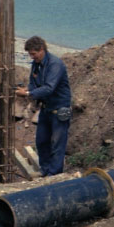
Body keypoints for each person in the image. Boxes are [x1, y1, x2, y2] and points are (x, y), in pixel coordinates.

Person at [16, 36, 72, 176]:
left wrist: (28, 93)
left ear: (42, 50)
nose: (32, 57)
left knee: (57, 143)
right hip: (46, 108)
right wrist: (29, 90)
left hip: (59, 108)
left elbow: (49, 88)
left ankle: (54, 174)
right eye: (30, 54)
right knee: (41, 141)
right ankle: (45, 170)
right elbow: (33, 82)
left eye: (33, 54)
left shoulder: (55, 65)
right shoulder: (37, 64)